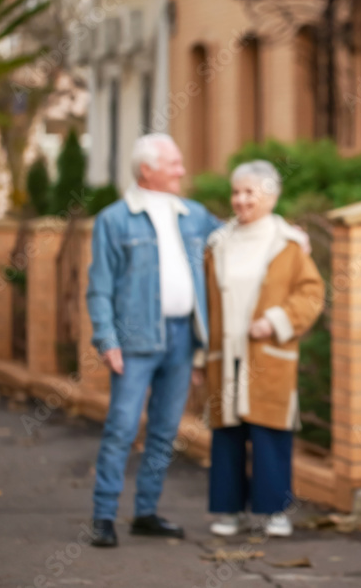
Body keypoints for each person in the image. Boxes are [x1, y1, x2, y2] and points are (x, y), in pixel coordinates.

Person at [86, 134, 222, 547]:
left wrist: (289, 235)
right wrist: (107, 339)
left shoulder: (193, 215)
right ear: (147, 170)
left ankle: (145, 512)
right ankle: (104, 517)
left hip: (182, 339)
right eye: (174, 164)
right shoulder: (115, 219)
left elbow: (235, 235)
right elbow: (100, 287)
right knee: (122, 428)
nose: (183, 170)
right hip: (135, 341)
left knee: (164, 431)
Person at [199, 160, 324, 537]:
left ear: (271, 195)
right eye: (236, 192)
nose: (240, 200)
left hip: (267, 352)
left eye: (250, 192)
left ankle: (274, 512)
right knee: (228, 434)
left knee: (270, 432)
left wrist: (275, 320)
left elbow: (312, 294)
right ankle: (228, 512)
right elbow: (204, 301)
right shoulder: (218, 243)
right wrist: (198, 353)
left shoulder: (287, 244)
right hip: (226, 353)